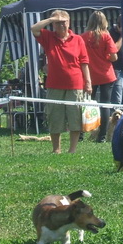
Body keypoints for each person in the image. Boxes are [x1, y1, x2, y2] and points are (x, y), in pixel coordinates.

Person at [31, 10, 92, 154]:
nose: (61, 25)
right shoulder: (48, 37)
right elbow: (34, 28)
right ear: (53, 24)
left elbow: (84, 62)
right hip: (54, 85)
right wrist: (51, 19)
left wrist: (88, 82)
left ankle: (72, 150)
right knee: (55, 117)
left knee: (75, 117)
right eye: (58, 23)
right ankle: (56, 149)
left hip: (75, 84)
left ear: (69, 22)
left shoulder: (78, 39)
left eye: (64, 22)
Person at [81, 11, 118, 143]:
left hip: (89, 75)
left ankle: (80, 134)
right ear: (104, 22)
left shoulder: (83, 37)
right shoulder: (106, 36)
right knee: (105, 104)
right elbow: (114, 57)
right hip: (106, 75)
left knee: (84, 104)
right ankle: (101, 136)